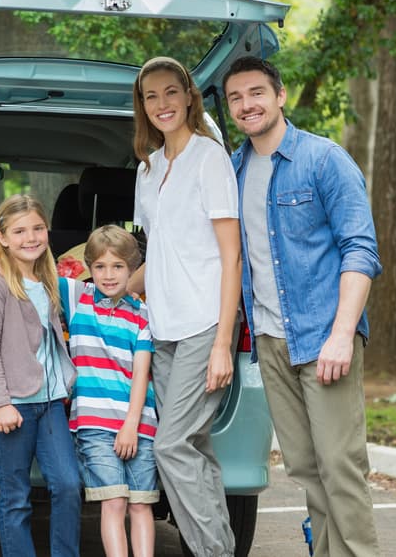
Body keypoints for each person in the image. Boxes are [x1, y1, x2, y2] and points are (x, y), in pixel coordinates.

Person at [222, 55, 382, 557]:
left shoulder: (324, 159)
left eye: (256, 93)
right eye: (236, 98)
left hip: (322, 336)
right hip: (269, 342)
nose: (246, 105)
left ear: (280, 95)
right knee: (307, 469)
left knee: (340, 465)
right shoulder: (235, 167)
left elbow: (361, 249)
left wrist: (342, 333)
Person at [128, 56, 241, 556]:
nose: (162, 104)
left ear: (189, 95)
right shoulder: (147, 169)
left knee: (170, 445)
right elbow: (158, 253)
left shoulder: (209, 157)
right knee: (194, 447)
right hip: (162, 329)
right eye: (151, 97)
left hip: (204, 324)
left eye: (170, 92)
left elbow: (231, 253)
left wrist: (223, 343)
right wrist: (97, 286)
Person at [0, 194, 81, 557]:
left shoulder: (50, 281)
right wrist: (2, 404)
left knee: (68, 485)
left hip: (50, 404)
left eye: (37, 228)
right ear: (2, 237)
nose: (30, 237)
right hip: (12, 406)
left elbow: (101, 274)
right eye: (19, 231)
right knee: (16, 496)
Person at [63, 225, 158, 557]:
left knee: (141, 505)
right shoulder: (77, 299)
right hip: (94, 424)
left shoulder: (143, 314)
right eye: (100, 266)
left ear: (132, 269)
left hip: (139, 424)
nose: (108, 275)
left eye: (117, 266)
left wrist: (131, 425)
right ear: (89, 268)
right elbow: (30, 270)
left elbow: (142, 374)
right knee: (114, 500)